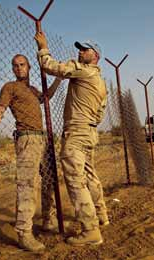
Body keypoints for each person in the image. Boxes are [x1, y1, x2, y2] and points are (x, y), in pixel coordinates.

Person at [34, 32, 109, 246]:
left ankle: (90, 230)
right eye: (80, 49)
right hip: (89, 132)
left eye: (84, 50)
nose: (79, 52)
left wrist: (43, 47)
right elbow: (100, 114)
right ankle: (101, 214)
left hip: (76, 133)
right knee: (89, 174)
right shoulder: (100, 81)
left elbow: (51, 66)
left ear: (95, 56)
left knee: (75, 181)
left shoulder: (83, 70)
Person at [0, 54, 61, 252]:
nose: (19, 68)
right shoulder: (10, 87)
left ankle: (48, 219)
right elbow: (2, 104)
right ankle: (24, 233)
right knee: (27, 185)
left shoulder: (31, 90)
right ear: (12, 69)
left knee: (49, 180)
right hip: (27, 139)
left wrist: (58, 79)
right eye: (15, 65)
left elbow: (46, 97)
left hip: (42, 138)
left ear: (29, 67)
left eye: (22, 65)